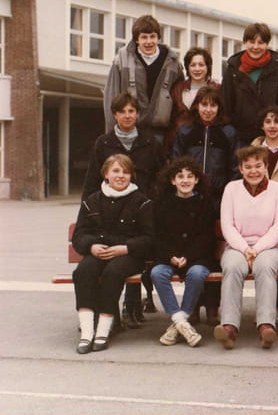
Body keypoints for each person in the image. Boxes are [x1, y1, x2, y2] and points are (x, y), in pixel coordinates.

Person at [81, 92, 164, 326]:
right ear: (114, 115)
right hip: (111, 209)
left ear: (137, 114)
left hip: (142, 209)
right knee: (114, 259)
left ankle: (132, 304)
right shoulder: (103, 143)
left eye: (132, 111)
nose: (127, 116)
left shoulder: (150, 142)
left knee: (135, 251)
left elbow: (161, 177)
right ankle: (111, 313)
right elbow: (92, 180)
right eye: (122, 112)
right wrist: (88, 208)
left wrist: (154, 204)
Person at [72, 154, 154, 354]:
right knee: (83, 271)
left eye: (126, 172)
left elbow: (150, 239)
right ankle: (87, 332)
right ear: (106, 174)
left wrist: (127, 248)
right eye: (116, 171)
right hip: (99, 252)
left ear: (131, 176)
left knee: (113, 272)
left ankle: (103, 330)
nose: (121, 176)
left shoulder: (141, 201)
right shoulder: (92, 201)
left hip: (129, 256)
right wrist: (91, 246)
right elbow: (79, 235)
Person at [214, 146, 278, 350]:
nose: (253, 171)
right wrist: (245, 248)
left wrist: (257, 249)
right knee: (231, 267)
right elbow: (227, 225)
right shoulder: (231, 189)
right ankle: (229, 327)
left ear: (266, 167)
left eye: (258, 166)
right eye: (248, 167)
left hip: (270, 247)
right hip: (237, 247)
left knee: (264, 267)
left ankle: (266, 326)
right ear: (240, 168)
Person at [150, 157, 217, 347]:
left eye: (190, 176)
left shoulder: (204, 203)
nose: (185, 180)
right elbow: (157, 236)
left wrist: (188, 257)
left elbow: (206, 237)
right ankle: (181, 321)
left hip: (196, 257)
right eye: (180, 176)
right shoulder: (162, 203)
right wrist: (170, 256)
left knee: (197, 274)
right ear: (173, 180)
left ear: (196, 179)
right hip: (169, 256)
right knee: (157, 273)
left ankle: (178, 324)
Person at [103, 14, 183, 145]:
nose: (148, 42)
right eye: (144, 37)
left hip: (160, 134)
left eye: (152, 36)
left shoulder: (172, 63)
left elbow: (179, 101)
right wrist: (111, 136)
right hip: (128, 132)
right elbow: (111, 99)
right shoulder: (121, 60)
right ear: (136, 39)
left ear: (158, 38)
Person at [172, 86, 238, 214]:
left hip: (218, 196)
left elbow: (235, 166)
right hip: (189, 193)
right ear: (197, 106)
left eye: (213, 105)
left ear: (219, 107)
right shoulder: (186, 130)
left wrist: (227, 190)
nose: (208, 110)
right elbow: (176, 161)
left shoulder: (228, 132)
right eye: (204, 104)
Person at [222, 23, 278, 147]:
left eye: (261, 42)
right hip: (239, 138)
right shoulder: (233, 69)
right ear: (245, 42)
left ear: (267, 44)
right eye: (252, 42)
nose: (256, 47)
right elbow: (225, 104)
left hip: (269, 138)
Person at [168, 47, 220, 148]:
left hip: (206, 143)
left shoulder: (217, 89)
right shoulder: (178, 88)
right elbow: (172, 119)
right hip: (180, 143)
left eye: (201, 65)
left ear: (208, 67)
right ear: (187, 67)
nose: (197, 69)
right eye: (193, 65)